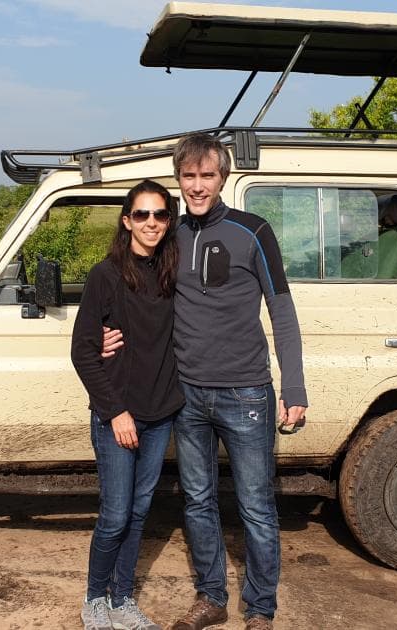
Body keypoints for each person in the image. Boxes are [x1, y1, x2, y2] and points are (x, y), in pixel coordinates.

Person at [104, 134, 307, 630]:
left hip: (246, 393)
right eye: (189, 176)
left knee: (256, 506)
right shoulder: (168, 235)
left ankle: (260, 609)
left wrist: (294, 388)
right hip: (187, 395)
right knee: (197, 500)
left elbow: (282, 309)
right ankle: (211, 597)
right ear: (180, 179)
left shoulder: (253, 231)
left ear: (223, 178)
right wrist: (106, 336)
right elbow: (138, 297)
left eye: (207, 176)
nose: (197, 186)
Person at [71, 179, 184, 630]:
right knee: (116, 514)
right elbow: (82, 351)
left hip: (160, 414)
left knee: (139, 512)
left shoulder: (174, 271)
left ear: (168, 221)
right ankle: (94, 598)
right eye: (142, 214)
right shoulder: (106, 275)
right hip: (119, 415)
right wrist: (115, 411)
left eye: (159, 215)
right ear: (126, 221)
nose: (151, 223)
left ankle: (123, 600)